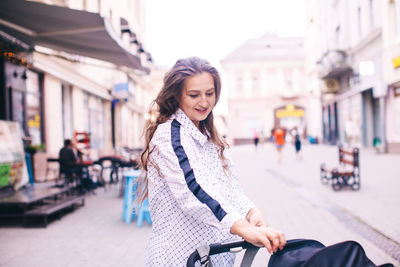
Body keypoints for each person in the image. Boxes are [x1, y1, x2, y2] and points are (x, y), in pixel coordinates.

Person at [138, 57, 286, 266]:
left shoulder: (208, 135)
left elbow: (229, 187)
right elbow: (193, 189)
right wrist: (242, 227)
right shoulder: (170, 135)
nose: (204, 102)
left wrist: (251, 213)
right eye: (194, 95)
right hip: (179, 257)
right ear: (177, 95)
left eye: (210, 93)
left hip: (213, 256)